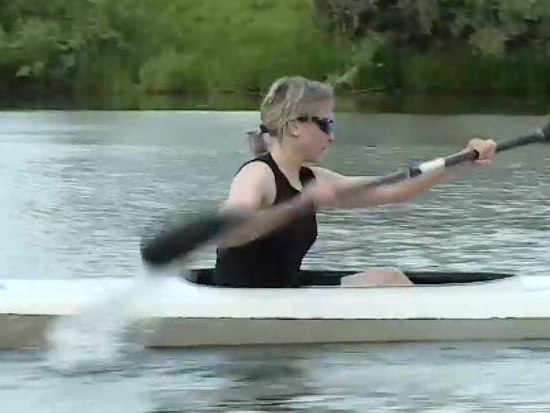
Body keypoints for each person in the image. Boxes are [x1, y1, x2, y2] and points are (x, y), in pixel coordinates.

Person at [212, 76, 498, 288]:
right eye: (326, 124)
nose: (331, 136)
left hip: (284, 294)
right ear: (295, 126)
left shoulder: (311, 178)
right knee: (390, 281)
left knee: (391, 279)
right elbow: (228, 233)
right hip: (240, 299)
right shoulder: (257, 175)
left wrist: (463, 158)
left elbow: (394, 189)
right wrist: (301, 205)